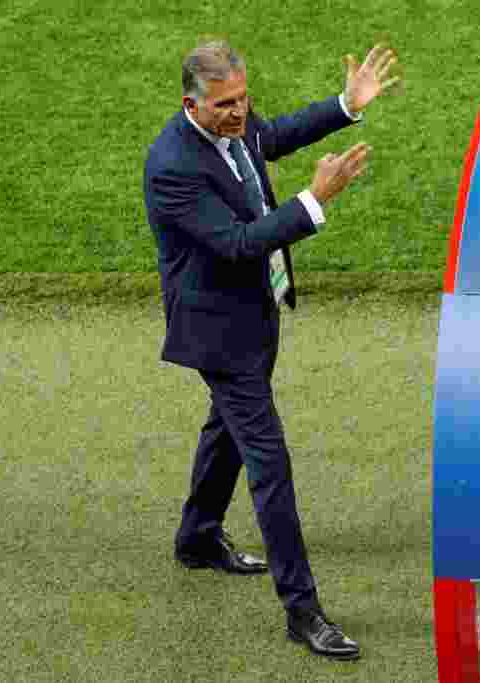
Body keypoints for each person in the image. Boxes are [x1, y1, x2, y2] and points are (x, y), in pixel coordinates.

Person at [142, 39, 399, 661]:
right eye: (226, 105)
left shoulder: (234, 125)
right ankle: (302, 609)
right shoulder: (172, 165)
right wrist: (316, 199)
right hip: (219, 331)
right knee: (269, 461)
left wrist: (346, 104)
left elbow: (270, 136)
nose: (239, 113)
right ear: (191, 103)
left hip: (257, 311)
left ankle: (198, 537)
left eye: (242, 98)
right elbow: (236, 243)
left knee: (226, 429)